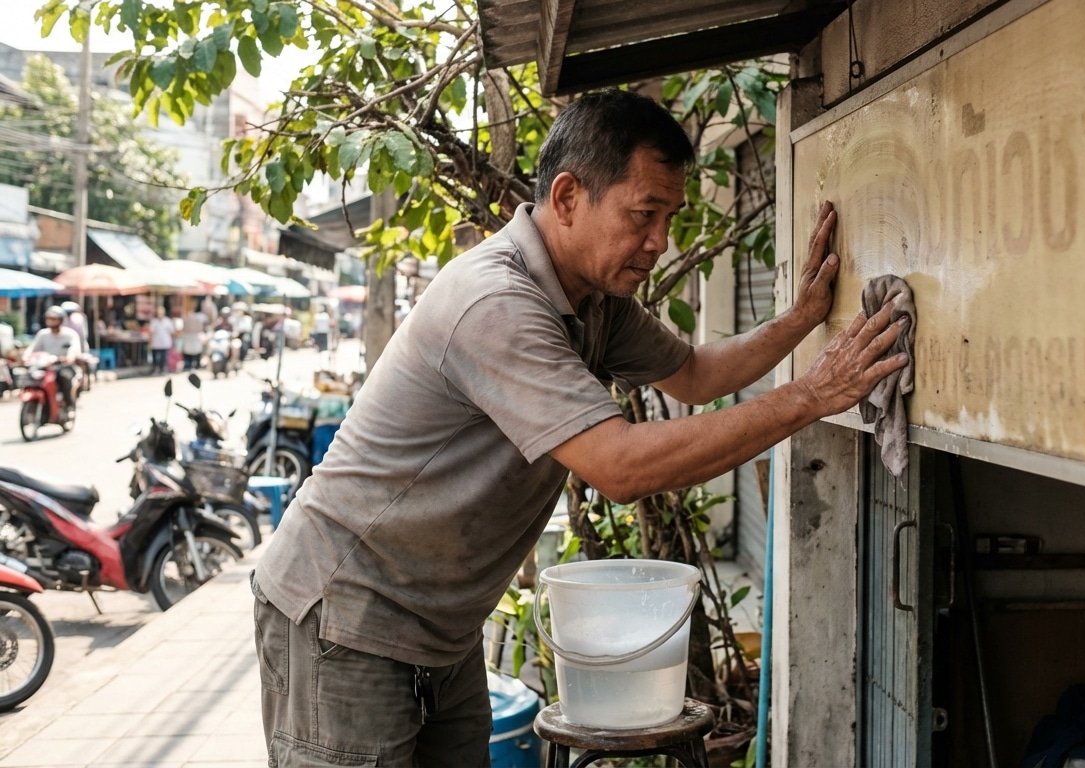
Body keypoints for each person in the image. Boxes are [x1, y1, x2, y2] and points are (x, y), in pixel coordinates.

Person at [251, 90, 907, 766]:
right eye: (643, 215)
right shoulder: (498, 302)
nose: (659, 241)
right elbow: (619, 467)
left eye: (669, 218)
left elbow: (694, 374)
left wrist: (799, 322)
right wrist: (812, 395)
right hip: (345, 617)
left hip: (438, 629)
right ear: (566, 198)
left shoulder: (594, 296)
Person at [24, 306, 82, 411]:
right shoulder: (43, 334)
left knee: (64, 378)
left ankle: (69, 405)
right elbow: (32, 348)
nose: (51, 321)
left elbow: (74, 349)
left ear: (60, 320)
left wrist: (69, 357)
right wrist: (26, 357)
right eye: (49, 319)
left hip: (63, 366)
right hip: (45, 366)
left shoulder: (70, 334)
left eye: (54, 319)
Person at [147, 306, 175, 375]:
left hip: (165, 343)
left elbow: (172, 332)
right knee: (155, 358)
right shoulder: (154, 321)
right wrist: (150, 342)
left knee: (163, 358)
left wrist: (173, 341)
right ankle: (155, 369)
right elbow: (151, 333)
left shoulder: (168, 321)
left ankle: (162, 369)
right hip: (155, 343)